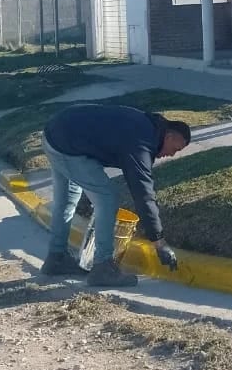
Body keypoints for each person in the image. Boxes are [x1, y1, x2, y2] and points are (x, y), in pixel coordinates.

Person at [39, 103, 191, 287]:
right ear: (169, 136)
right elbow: (143, 194)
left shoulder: (147, 127)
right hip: (67, 144)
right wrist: (159, 241)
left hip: (57, 132)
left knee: (67, 199)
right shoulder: (141, 144)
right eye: (175, 149)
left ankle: (56, 258)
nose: (172, 155)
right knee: (107, 198)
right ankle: (102, 268)